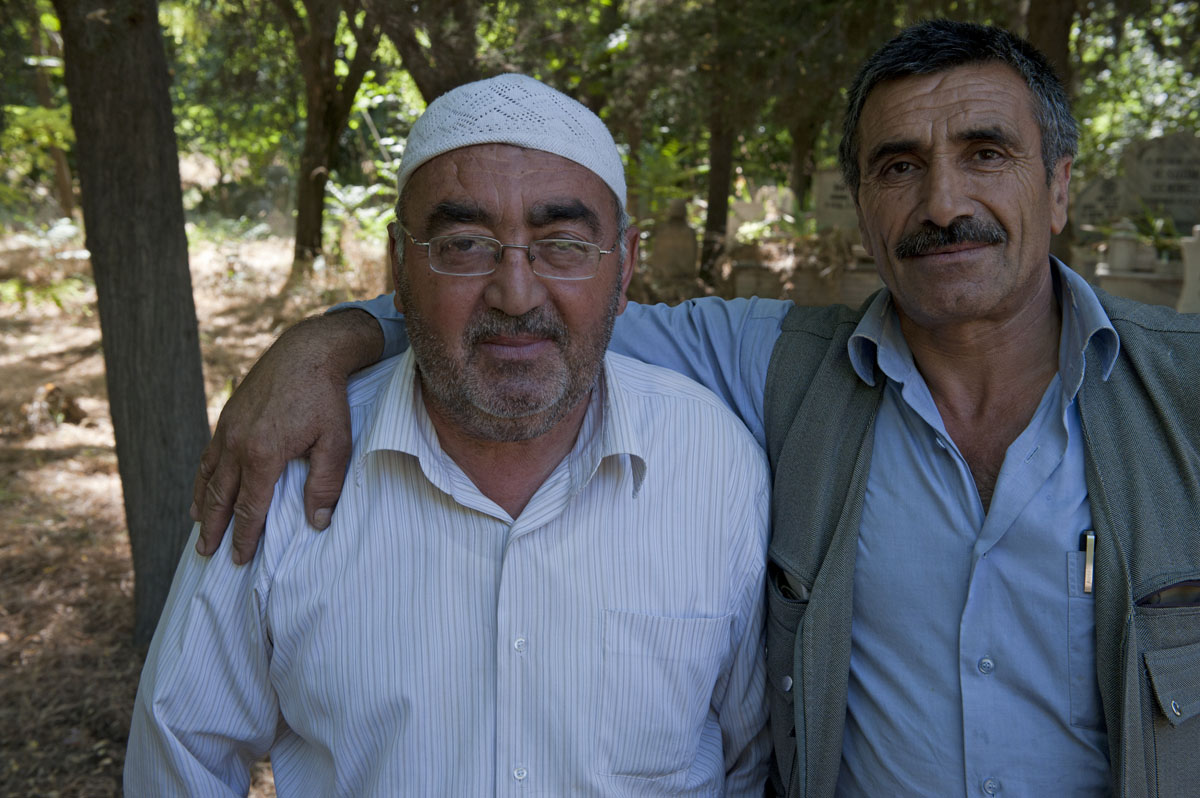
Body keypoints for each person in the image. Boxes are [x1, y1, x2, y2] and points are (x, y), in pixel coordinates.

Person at [191, 21, 1200, 797]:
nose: (942, 203)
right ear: (863, 201)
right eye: (899, 167)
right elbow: (533, 308)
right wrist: (328, 338)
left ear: (1059, 187)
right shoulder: (776, 366)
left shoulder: (1184, 398)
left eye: (986, 154)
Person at [126, 74, 771, 796]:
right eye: (464, 245)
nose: (516, 294)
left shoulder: (714, 466)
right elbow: (179, 756)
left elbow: (752, 761)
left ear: (623, 269)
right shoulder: (287, 469)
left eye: (563, 244)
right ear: (399, 268)